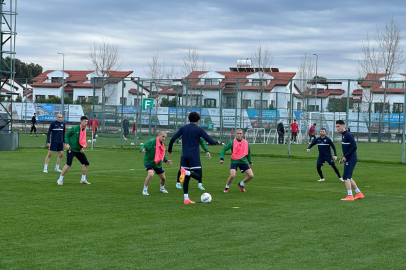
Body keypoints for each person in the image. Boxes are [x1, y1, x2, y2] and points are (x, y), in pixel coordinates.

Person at [168, 112, 221, 204]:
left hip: (184, 156)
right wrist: (217, 141)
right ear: (198, 120)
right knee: (198, 176)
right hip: (194, 156)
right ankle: (186, 172)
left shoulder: (183, 128)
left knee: (187, 178)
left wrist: (169, 150)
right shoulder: (198, 129)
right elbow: (210, 141)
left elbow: (172, 139)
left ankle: (186, 199)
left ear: (189, 119)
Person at [57, 116, 91, 186]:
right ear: (81, 121)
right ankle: (60, 179)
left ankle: (83, 179)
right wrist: (67, 144)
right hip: (71, 149)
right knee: (68, 164)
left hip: (78, 150)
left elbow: (82, 140)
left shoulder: (85, 130)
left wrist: (81, 147)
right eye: (84, 121)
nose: (86, 123)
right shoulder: (75, 129)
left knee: (86, 163)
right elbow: (66, 135)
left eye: (87, 122)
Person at [336, 120, 364, 201]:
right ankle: (359, 193)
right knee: (349, 177)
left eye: (339, 126)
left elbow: (354, 146)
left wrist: (346, 157)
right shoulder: (344, 135)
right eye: (336, 127)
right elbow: (347, 149)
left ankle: (350, 196)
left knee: (345, 177)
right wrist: (343, 158)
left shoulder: (348, 135)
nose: (337, 128)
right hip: (348, 158)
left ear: (343, 126)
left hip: (351, 159)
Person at [220, 129, 254, 193]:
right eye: (238, 133)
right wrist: (222, 158)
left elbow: (248, 153)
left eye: (240, 133)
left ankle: (241, 184)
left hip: (243, 161)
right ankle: (226, 187)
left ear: (242, 134)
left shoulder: (246, 143)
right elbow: (224, 149)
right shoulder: (232, 142)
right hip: (234, 161)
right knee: (232, 175)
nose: (239, 135)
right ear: (236, 134)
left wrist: (250, 161)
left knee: (251, 175)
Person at [140, 131, 172, 195]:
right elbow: (144, 146)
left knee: (163, 178)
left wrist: (166, 160)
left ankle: (162, 188)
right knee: (151, 174)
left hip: (157, 163)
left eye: (165, 137)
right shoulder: (152, 141)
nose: (164, 138)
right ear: (158, 135)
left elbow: (161, 154)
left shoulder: (162, 144)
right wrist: (142, 149)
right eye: (163, 136)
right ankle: (144, 190)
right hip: (148, 161)